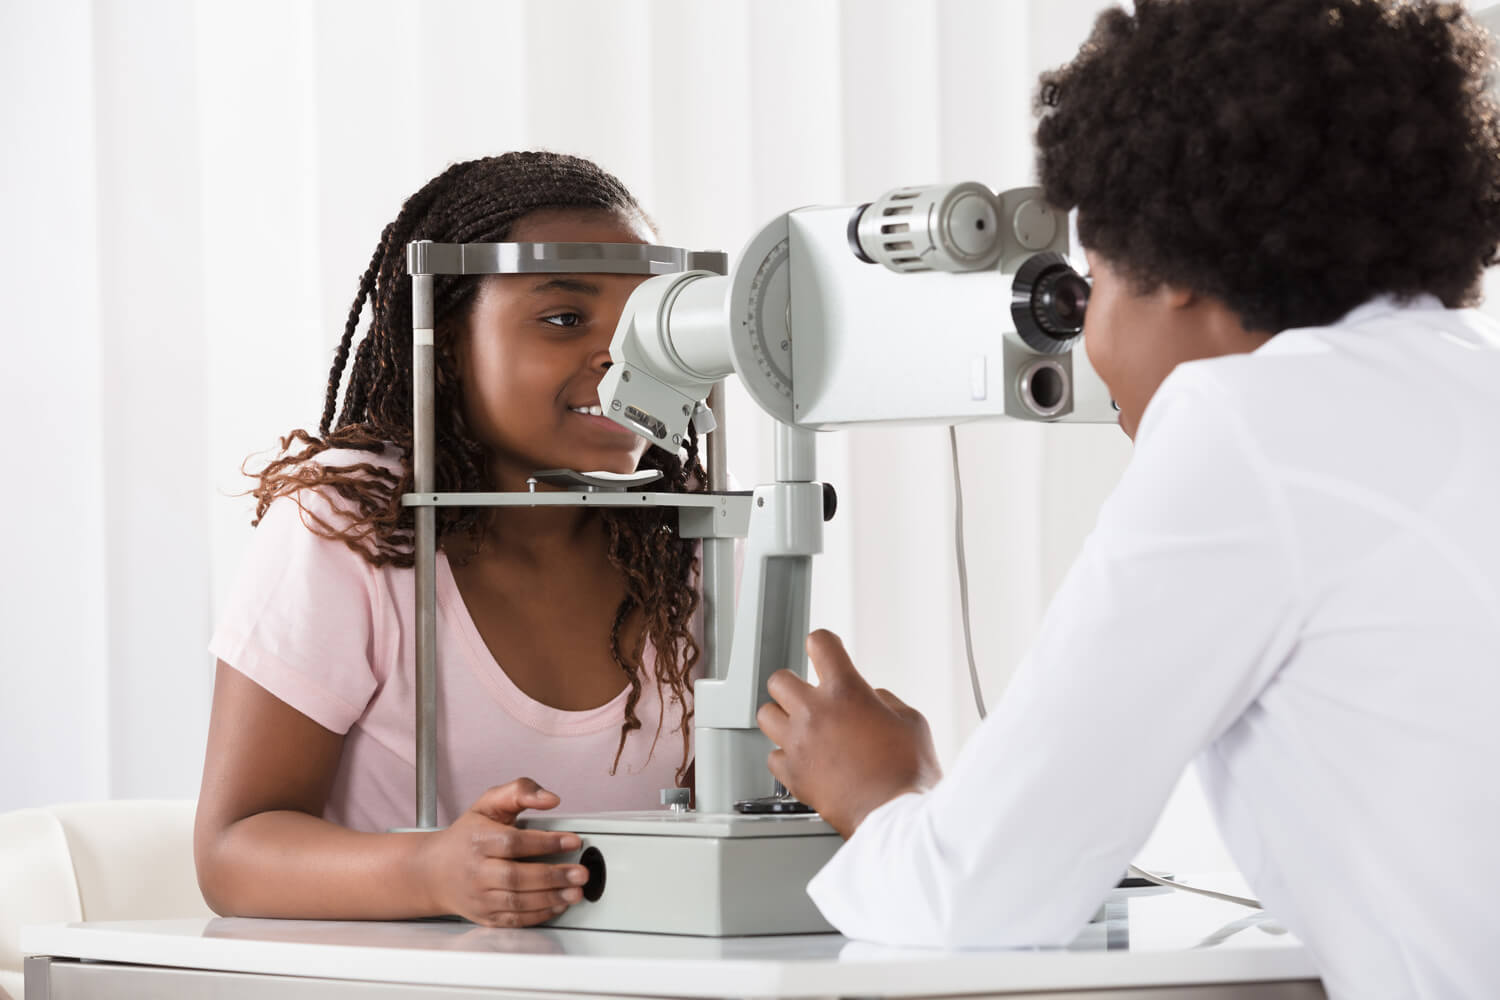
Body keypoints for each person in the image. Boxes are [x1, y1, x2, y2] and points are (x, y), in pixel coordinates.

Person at [757, 2, 1500, 996]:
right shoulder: (1462, 381)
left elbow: (979, 900)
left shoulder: (1249, 418)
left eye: (1095, 280)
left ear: (1175, 272)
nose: (1089, 339)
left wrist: (880, 790)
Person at [195, 152, 707, 929]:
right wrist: (431, 872)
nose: (619, 356)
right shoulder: (352, 522)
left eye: (646, 323)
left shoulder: (688, 536)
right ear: (448, 339)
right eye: (565, 319)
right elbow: (232, 852)